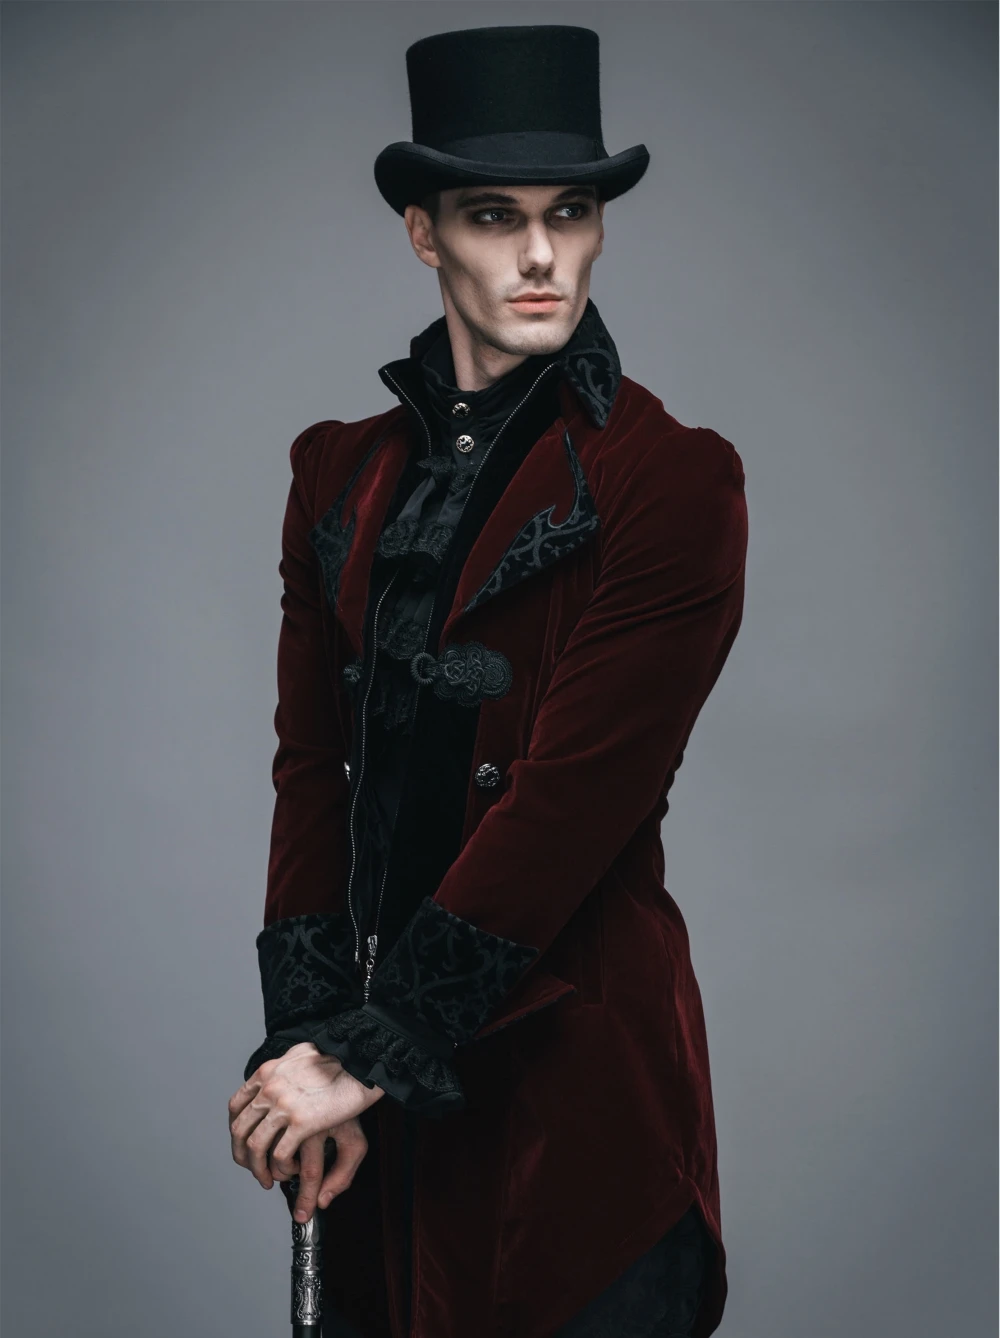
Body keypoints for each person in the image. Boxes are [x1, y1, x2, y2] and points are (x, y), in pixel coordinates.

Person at [228, 24, 748, 1338]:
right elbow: (313, 775)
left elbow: (571, 806)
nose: (539, 255)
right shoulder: (335, 475)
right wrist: (306, 1043)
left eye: (570, 212)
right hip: (378, 1112)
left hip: (574, 1105)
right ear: (425, 234)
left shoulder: (669, 478)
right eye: (494, 216)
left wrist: (363, 1051)